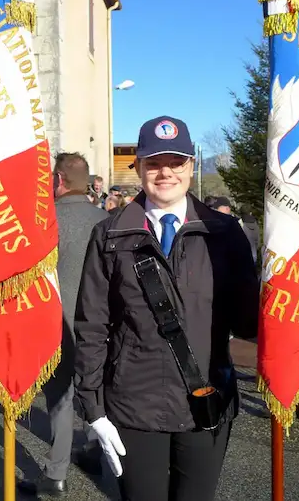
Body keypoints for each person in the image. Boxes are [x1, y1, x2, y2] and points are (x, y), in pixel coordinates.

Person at [74, 116, 259, 501]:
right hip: (135, 406)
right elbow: (92, 325)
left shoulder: (223, 235)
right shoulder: (109, 235)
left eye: (176, 162)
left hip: (206, 402)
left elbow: (248, 323)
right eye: (154, 162)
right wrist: (93, 408)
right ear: (139, 167)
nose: (165, 173)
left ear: (191, 166)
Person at [18, 152, 108, 497]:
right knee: (93, 389)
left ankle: (56, 473)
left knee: (60, 399)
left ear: (58, 180)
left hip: (58, 323)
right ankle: (93, 450)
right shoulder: (107, 219)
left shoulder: (46, 220)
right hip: (101, 325)